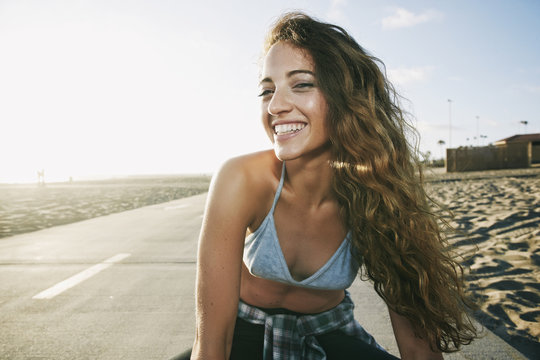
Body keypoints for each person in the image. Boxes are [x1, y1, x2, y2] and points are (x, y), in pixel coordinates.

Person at [172, 12, 477, 360]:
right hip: (245, 333)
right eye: (267, 90)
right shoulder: (240, 178)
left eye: (301, 84)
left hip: (330, 333)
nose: (275, 106)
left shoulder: (380, 191)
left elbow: (419, 349)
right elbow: (212, 344)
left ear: (348, 97)